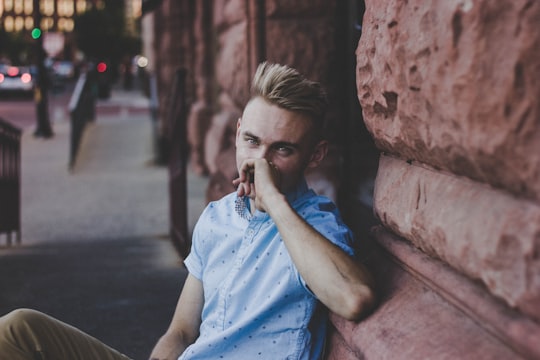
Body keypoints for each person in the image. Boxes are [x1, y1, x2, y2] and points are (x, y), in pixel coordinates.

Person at [0, 62, 375, 360]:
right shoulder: (218, 217)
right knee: (19, 330)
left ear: (315, 155)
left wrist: (274, 201)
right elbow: (180, 331)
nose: (259, 162)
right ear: (238, 131)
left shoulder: (314, 224)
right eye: (252, 141)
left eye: (282, 149)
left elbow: (353, 297)